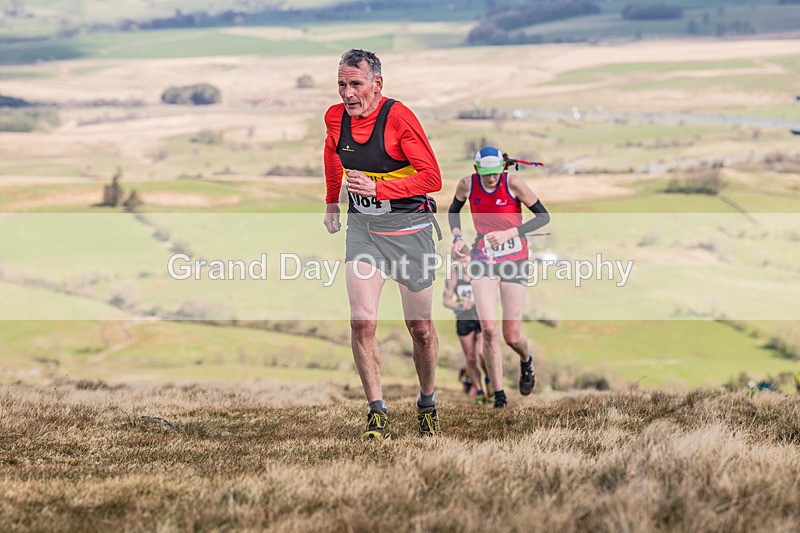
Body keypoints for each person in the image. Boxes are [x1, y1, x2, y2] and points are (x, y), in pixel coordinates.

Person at [323, 49, 443, 439]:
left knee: (420, 327)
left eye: (355, 84)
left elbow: (432, 177)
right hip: (364, 231)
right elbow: (331, 154)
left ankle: (426, 403)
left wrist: (380, 188)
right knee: (362, 321)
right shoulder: (334, 118)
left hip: (410, 231)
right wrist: (331, 202)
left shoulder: (398, 118)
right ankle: (376, 410)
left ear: (377, 84)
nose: (347, 93)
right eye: (342, 84)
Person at [448, 146, 550, 408]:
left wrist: (511, 233)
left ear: (502, 169)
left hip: (515, 259)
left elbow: (543, 217)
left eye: (495, 173)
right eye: (486, 174)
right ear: (476, 170)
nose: (491, 178)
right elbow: (453, 211)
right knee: (489, 331)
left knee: (511, 336)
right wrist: (458, 237)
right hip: (483, 257)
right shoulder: (466, 185)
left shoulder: (513, 182)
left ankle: (526, 361)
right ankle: (500, 396)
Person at [442, 257, 493, 404]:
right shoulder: (454, 275)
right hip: (464, 320)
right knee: (470, 359)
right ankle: (478, 391)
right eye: (461, 261)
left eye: (467, 261)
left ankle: (489, 381)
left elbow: (493, 294)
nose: (465, 265)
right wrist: (460, 304)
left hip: (480, 318)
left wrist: (480, 300)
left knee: (482, 354)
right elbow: (446, 300)